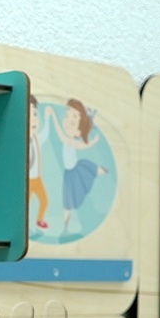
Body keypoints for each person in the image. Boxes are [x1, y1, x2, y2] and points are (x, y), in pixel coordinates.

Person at [45, 98, 107, 234]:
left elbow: (83, 145)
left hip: (75, 171)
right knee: (66, 201)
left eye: (73, 122)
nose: (67, 122)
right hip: (68, 174)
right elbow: (58, 130)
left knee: (87, 170)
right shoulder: (66, 140)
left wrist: (93, 141)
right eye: (66, 116)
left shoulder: (72, 142)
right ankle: (66, 226)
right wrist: (53, 115)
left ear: (78, 132)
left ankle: (100, 170)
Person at [28, 93, 50, 230]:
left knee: (44, 200)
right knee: (24, 205)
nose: (34, 120)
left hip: (37, 179)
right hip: (28, 181)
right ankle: (21, 226)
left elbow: (45, 134)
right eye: (29, 115)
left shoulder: (35, 139)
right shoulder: (20, 141)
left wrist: (47, 118)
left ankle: (39, 219)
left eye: (35, 114)